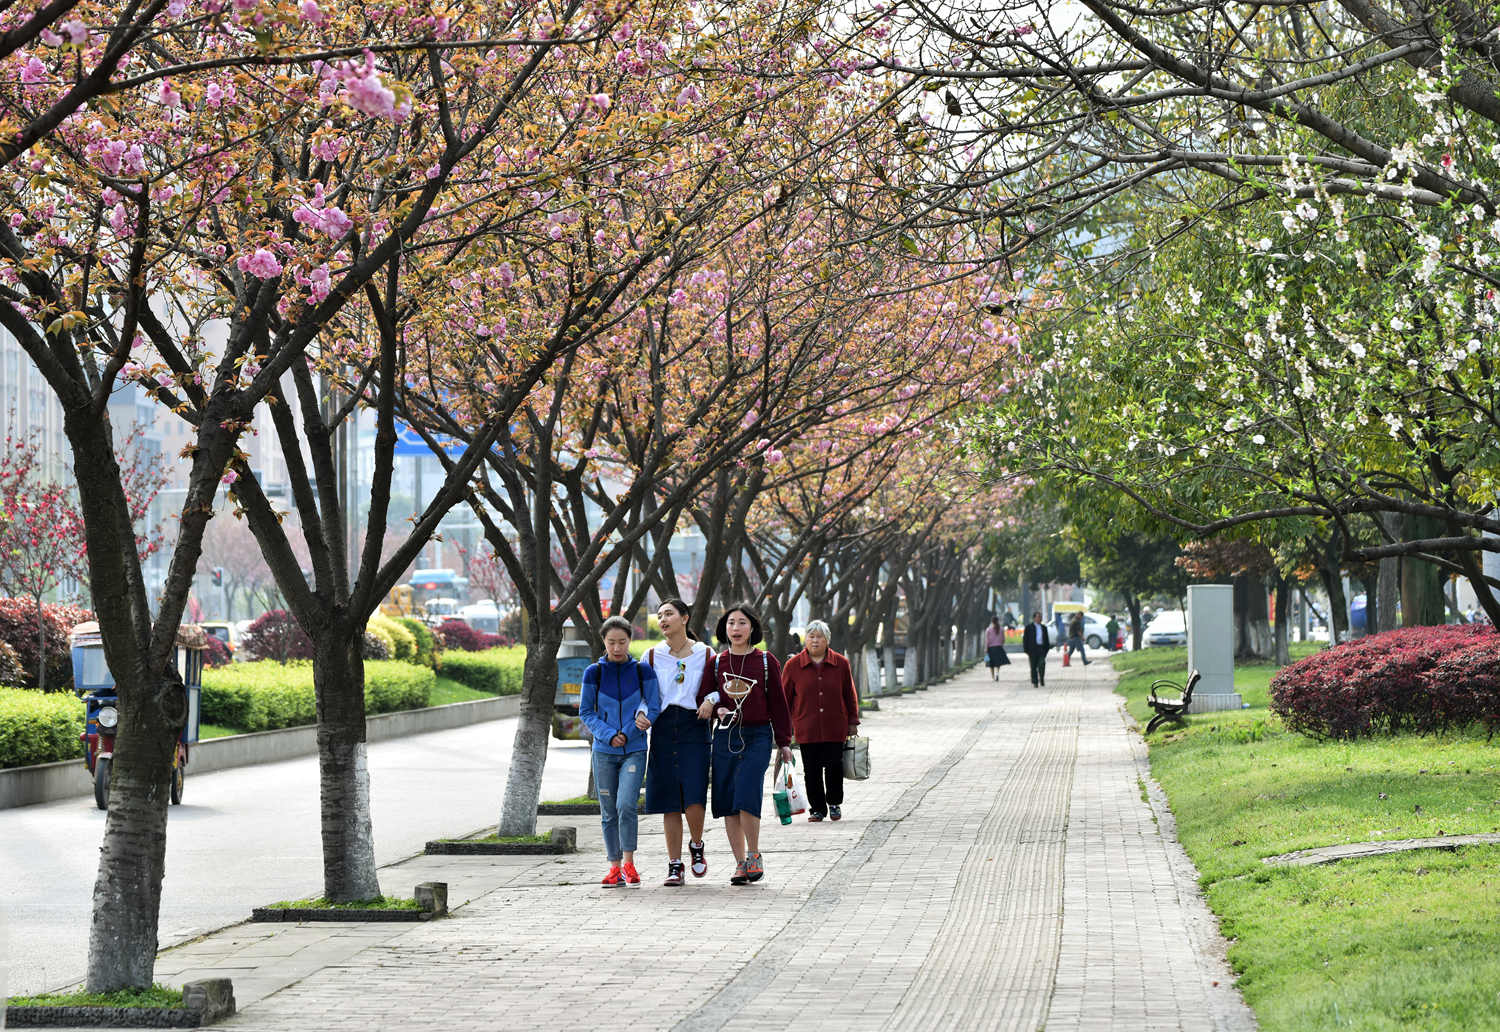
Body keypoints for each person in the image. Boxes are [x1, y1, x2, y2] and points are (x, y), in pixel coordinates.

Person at [697, 601, 792, 885]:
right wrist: (717, 707)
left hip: (757, 736)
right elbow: (703, 696)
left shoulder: (766, 661)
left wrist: (784, 742)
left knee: (747, 792)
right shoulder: (716, 663)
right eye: (730, 623)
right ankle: (739, 864)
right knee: (728, 799)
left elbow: (779, 704)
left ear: (752, 628)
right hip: (725, 735)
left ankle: (754, 855)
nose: (735, 628)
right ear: (723, 628)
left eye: (742, 623)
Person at [579, 615, 661, 888]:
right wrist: (608, 735)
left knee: (626, 805)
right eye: (611, 642)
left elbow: (654, 706)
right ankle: (614, 867)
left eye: (622, 642)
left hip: (634, 749)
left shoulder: (642, 671)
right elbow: (586, 712)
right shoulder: (593, 673)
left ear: (629, 641)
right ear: (603, 641)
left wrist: (628, 732)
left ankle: (629, 863)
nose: (616, 647)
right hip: (603, 752)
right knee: (608, 811)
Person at [642, 598, 714, 886]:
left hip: (694, 725)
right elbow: (643, 693)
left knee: (694, 795)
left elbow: (719, 686)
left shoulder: (705, 653)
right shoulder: (651, 655)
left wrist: (711, 700)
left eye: (669, 614)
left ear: (685, 618)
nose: (662, 619)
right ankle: (674, 865)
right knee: (669, 799)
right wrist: (641, 714)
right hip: (662, 727)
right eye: (659, 615)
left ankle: (696, 845)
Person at [782, 620, 860, 823]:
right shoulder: (793, 666)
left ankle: (834, 803)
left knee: (834, 766)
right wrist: (784, 728)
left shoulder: (841, 663)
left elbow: (849, 694)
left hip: (835, 726)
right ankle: (817, 809)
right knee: (811, 770)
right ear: (805, 640)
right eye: (811, 636)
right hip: (806, 727)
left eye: (819, 637)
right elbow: (785, 699)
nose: (815, 640)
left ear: (827, 640)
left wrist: (853, 721)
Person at [1022, 611, 1051, 687]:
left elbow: (1046, 639)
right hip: (1032, 649)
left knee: (1042, 664)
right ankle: (1035, 682)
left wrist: (1046, 649)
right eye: (1038, 617)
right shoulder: (1029, 627)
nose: (1040, 618)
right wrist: (1026, 650)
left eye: (1040, 617)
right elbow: (1025, 639)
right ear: (1034, 618)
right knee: (1033, 667)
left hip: (1041, 649)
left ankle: (1041, 678)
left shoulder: (1044, 628)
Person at [983, 616, 1010, 680]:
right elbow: (1003, 639)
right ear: (998, 621)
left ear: (992, 622)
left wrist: (986, 648)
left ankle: (993, 677)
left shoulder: (988, 629)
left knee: (991, 664)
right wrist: (1001, 644)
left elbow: (987, 640)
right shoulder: (1001, 629)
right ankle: (997, 673)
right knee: (998, 663)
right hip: (999, 648)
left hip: (991, 648)